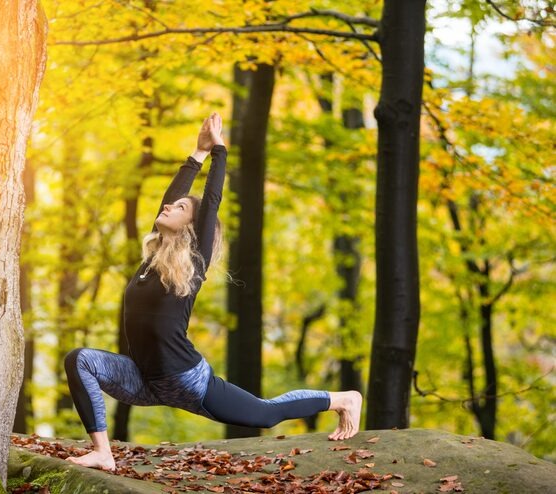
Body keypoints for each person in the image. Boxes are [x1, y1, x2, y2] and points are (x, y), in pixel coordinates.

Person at [64, 112, 362, 471]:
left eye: (180, 208)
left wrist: (219, 150)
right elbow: (171, 195)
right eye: (171, 204)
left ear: (192, 224)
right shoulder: (152, 258)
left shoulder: (193, 261)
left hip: (187, 380)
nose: (168, 206)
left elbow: (212, 200)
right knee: (80, 359)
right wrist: (197, 152)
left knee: (265, 413)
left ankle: (342, 399)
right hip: (143, 380)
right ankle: (103, 453)